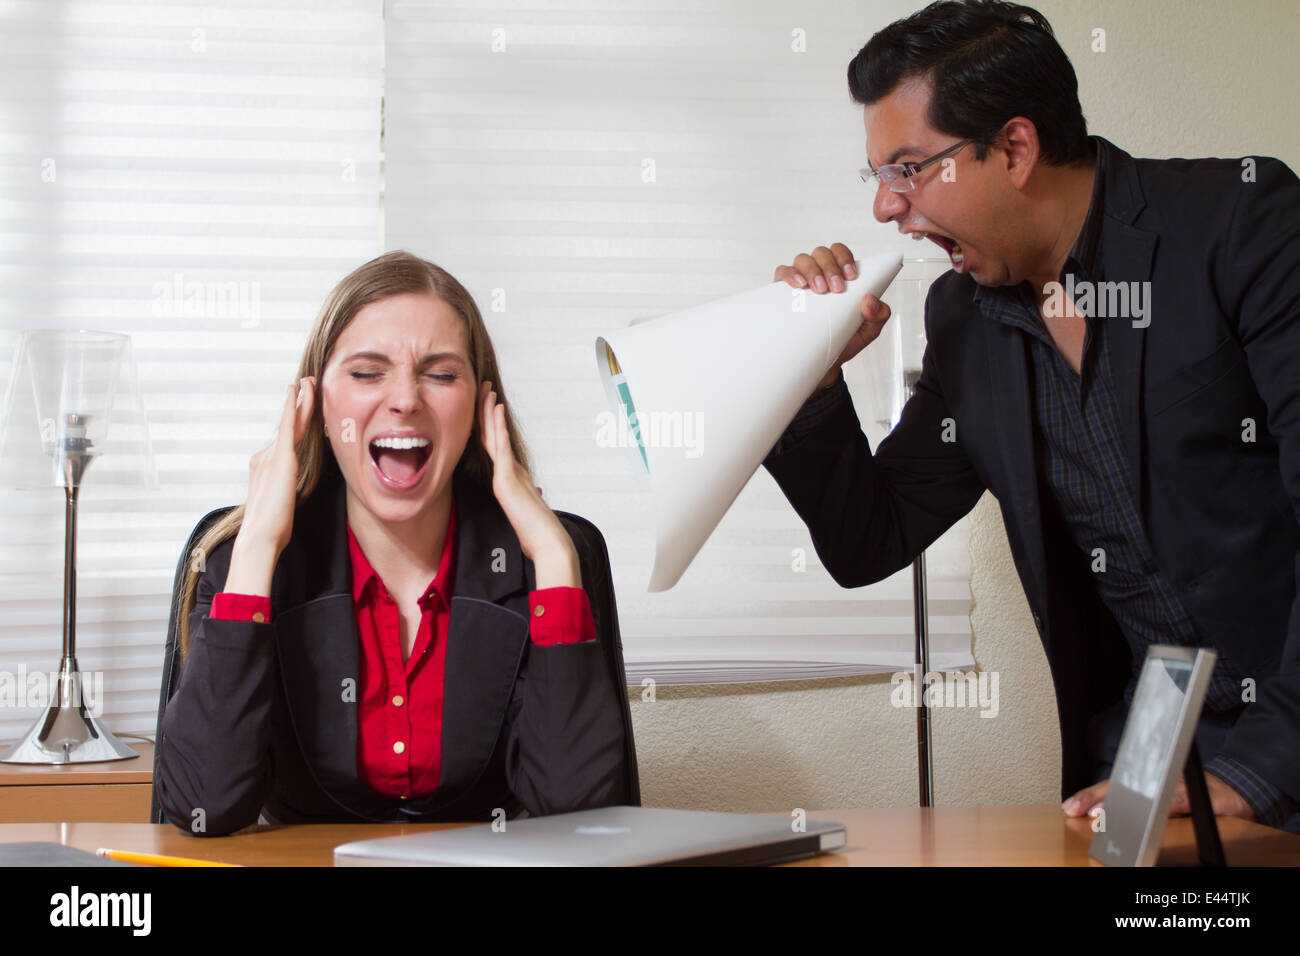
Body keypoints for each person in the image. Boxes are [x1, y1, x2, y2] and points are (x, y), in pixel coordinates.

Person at [764, 0, 1300, 831]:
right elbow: (870, 538)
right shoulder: (966, 317)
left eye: (908, 168)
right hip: (1155, 728)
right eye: (877, 177)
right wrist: (808, 381)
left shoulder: (1242, 223)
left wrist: (1265, 764)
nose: (884, 209)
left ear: (1014, 148)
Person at [156, 250, 632, 836]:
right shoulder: (245, 560)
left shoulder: (536, 563)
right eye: (365, 372)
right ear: (315, 405)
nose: (406, 399)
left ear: (483, 410)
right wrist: (256, 541)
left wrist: (558, 559)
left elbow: (580, 812)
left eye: (440, 374)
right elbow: (203, 810)